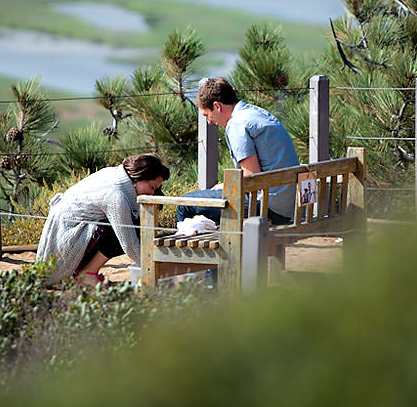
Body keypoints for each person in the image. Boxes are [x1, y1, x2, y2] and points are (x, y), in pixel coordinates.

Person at [177, 77, 299, 226]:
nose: (209, 121)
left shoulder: (237, 125)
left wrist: (225, 186)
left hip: (268, 206)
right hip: (288, 204)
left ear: (217, 106)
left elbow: (252, 178)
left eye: (207, 115)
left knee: (185, 204)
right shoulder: (256, 113)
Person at [36, 154, 170, 287]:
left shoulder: (116, 174)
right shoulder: (115, 195)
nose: (152, 193)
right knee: (130, 228)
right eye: (152, 187)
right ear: (141, 177)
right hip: (67, 239)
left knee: (130, 223)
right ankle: (87, 274)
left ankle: (84, 270)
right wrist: (153, 269)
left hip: (75, 229)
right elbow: (129, 244)